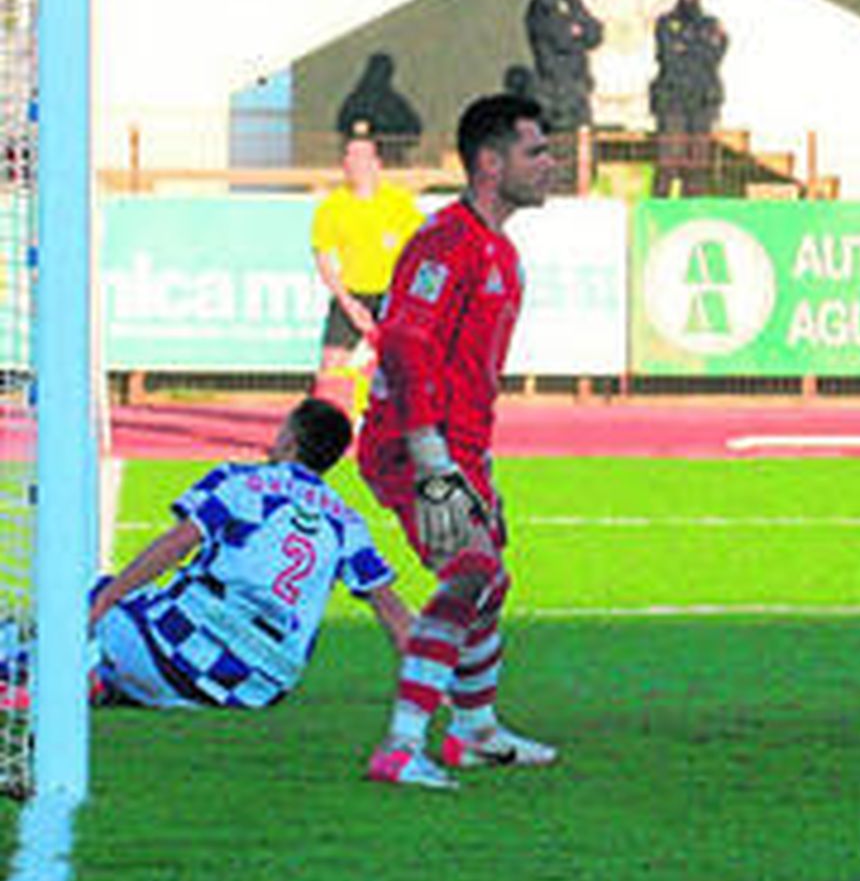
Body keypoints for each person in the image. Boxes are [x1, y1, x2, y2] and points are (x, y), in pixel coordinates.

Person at [359, 93, 560, 791]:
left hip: (461, 445)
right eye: (536, 151)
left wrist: (478, 462)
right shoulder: (445, 242)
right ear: (489, 161)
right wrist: (430, 457)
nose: (550, 164)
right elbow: (406, 342)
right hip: (410, 445)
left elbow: (468, 372)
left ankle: (474, 732)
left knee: (489, 582)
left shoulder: (498, 249)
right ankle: (400, 745)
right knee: (470, 572)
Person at [84, 398, 411, 709]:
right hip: (257, 690)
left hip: (181, 653)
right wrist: (433, 681)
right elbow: (390, 608)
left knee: (88, 600)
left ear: (290, 442)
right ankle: (120, 684)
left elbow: (177, 543)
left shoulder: (239, 481)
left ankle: (71, 678)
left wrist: (107, 597)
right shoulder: (347, 521)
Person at [310, 124, 426, 415]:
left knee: (408, 366)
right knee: (330, 367)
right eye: (349, 158)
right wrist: (349, 304)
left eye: (362, 158)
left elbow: (423, 249)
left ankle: (407, 426)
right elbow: (324, 259)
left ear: (377, 164)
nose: (355, 164)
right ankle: (322, 436)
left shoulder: (399, 203)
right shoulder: (333, 207)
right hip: (352, 294)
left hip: (393, 295)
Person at [524, 0, 604, 193]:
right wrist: (577, 31)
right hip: (555, 87)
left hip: (575, 84)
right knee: (558, 144)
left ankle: (574, 188)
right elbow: (561, 37)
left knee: (580, 146)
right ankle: (554, 190)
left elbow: (595, 32)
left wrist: (581, 30)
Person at [650, 0, 728, 198]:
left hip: (702, 101)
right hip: (672, 99)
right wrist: (698, 46)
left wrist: (687, 46)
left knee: (697, 163)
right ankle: (660, 208)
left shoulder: (710, 23)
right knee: (668, 160)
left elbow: (715, 54)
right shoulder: (665, 22)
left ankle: (693, 208)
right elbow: (668, 56)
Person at [335, 52, 424, 166]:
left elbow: (414, 129)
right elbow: (414, 129)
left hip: (371, 162)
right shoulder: (394, 103)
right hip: (383, 163)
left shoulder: (353, 100)